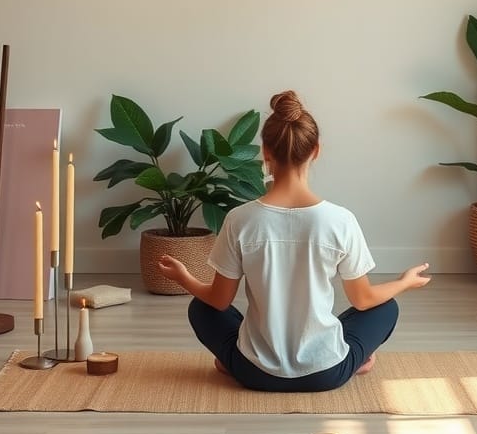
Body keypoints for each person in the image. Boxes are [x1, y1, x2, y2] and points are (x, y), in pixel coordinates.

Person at [158, 90, 431, 392]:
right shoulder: (340, 220)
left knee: (201, 308)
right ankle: (356, 359)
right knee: (386, 307)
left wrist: (184, 277)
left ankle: (230, 360)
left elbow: (219, 301)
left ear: (265, 152)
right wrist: (405, 281)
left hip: (254, 372)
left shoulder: (239, 219)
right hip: (326, 373)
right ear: (316, 150)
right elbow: (363, 300)